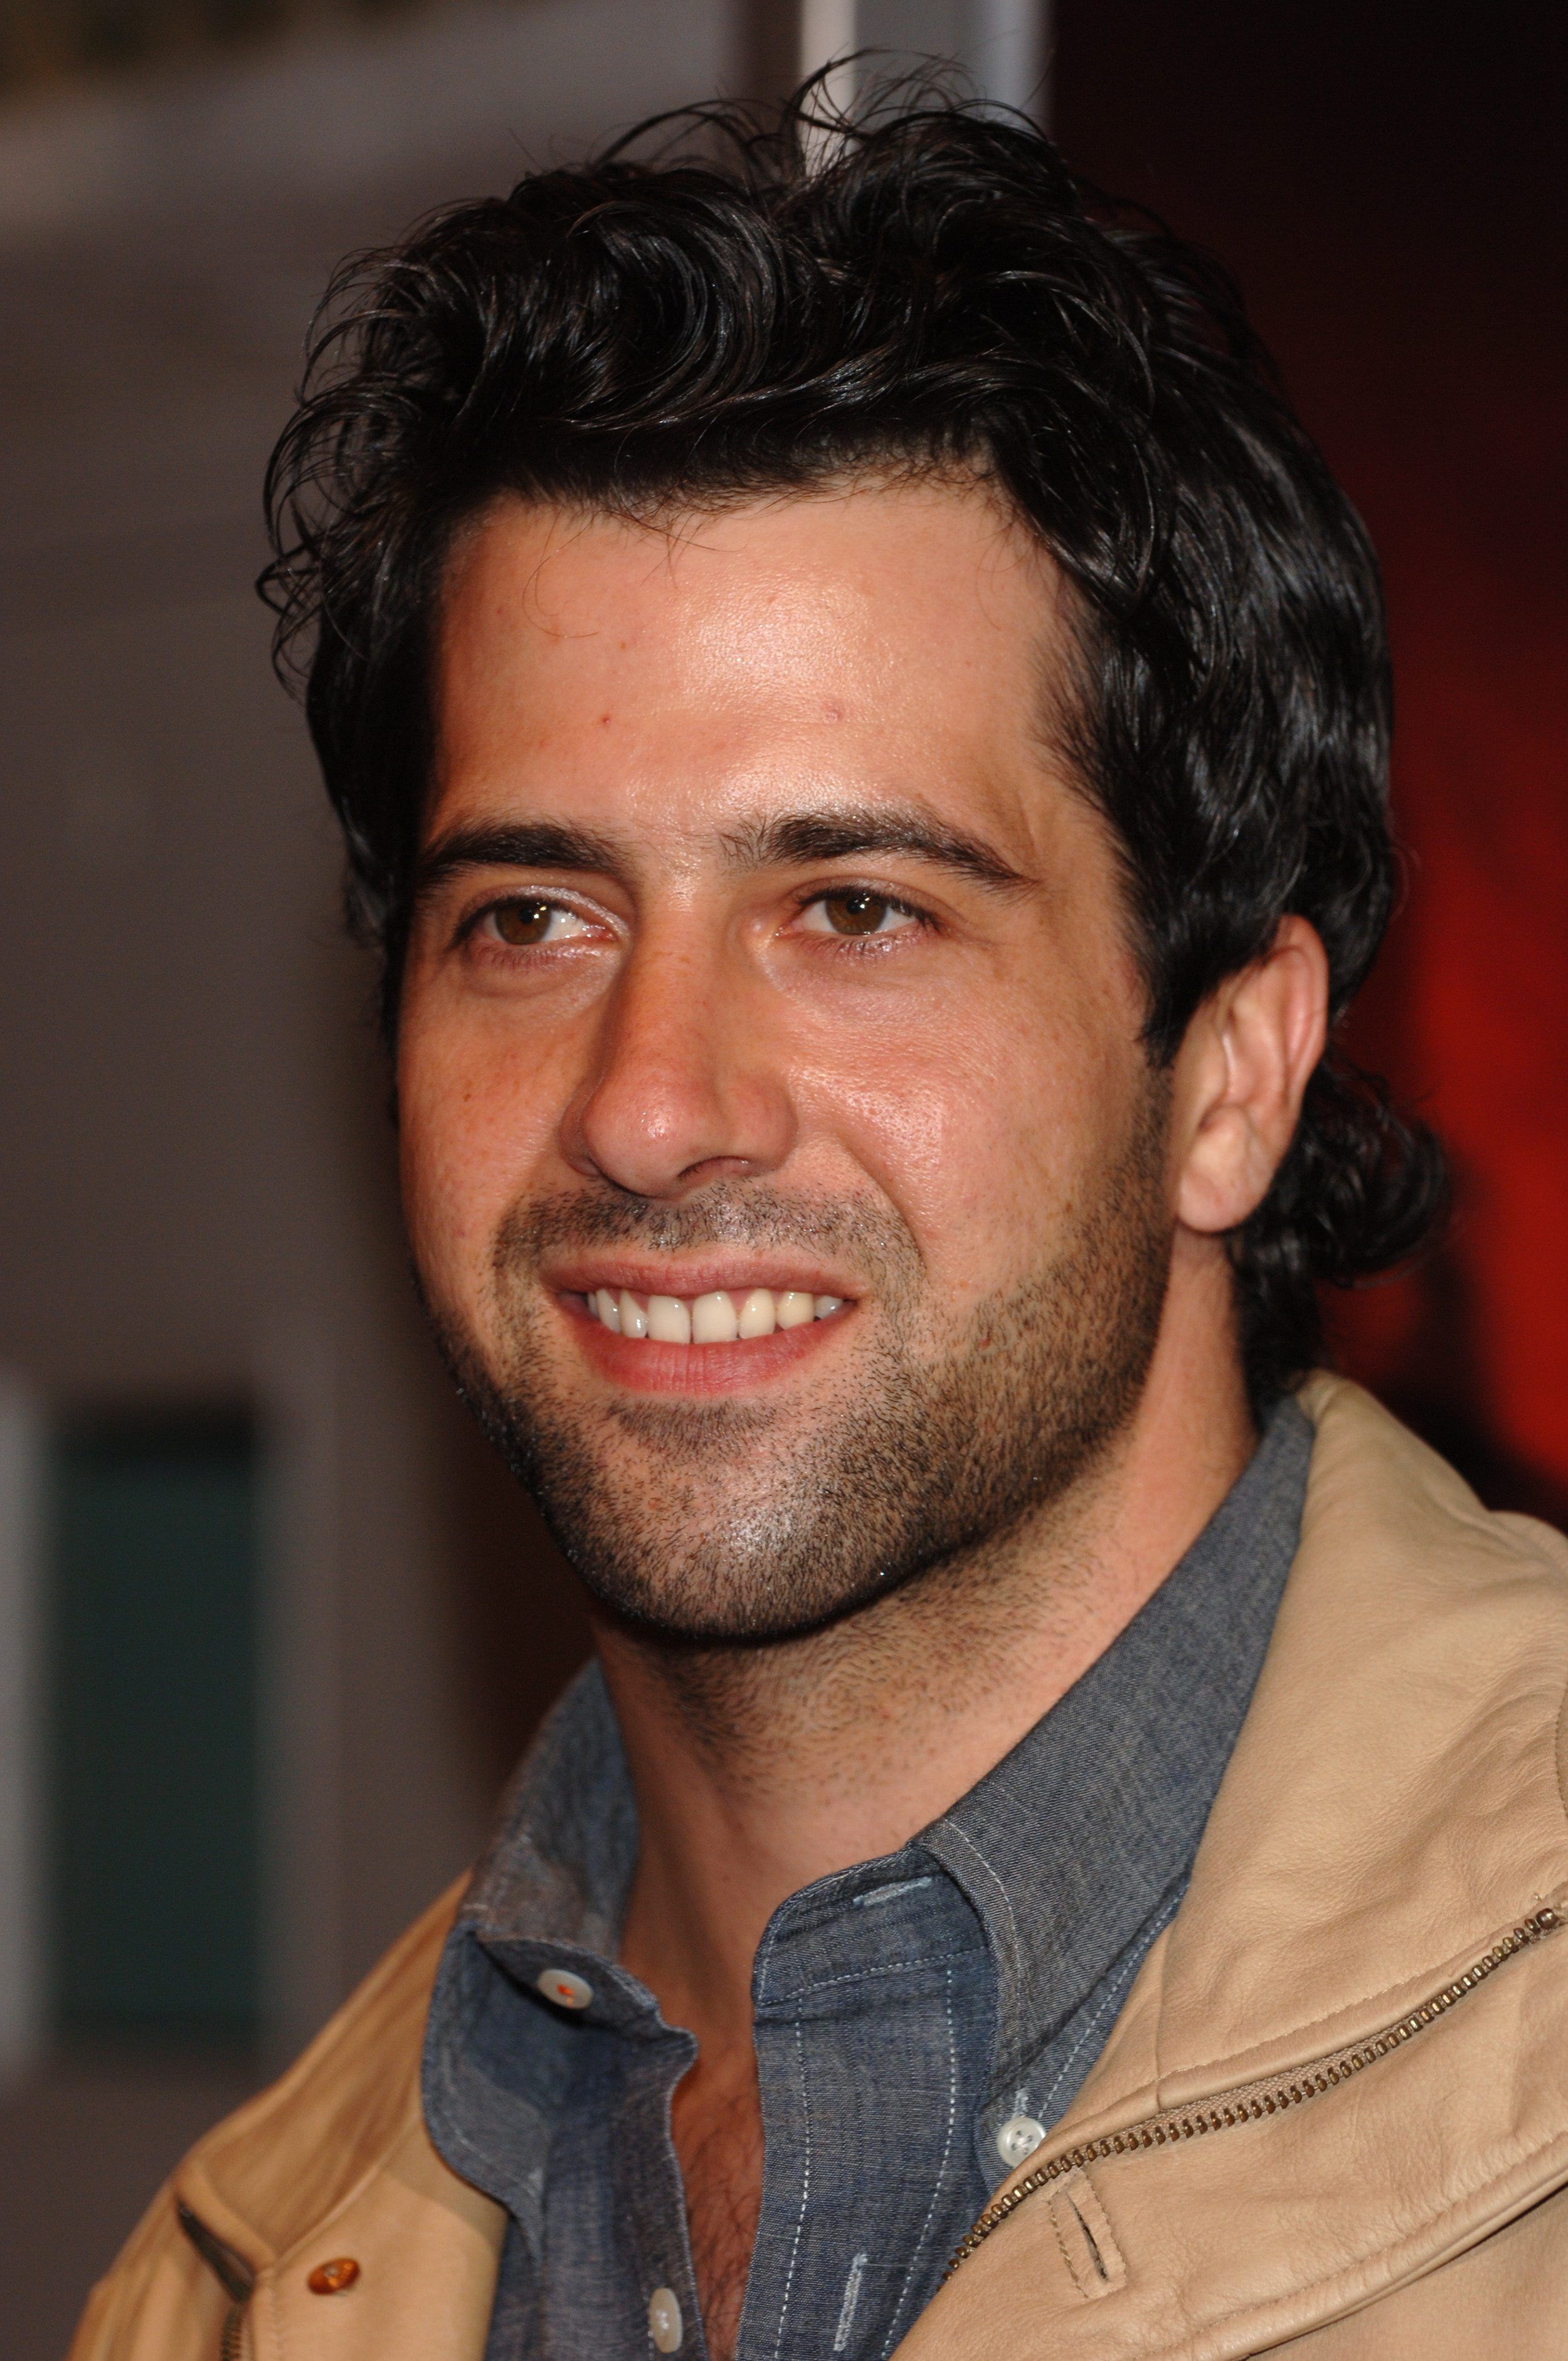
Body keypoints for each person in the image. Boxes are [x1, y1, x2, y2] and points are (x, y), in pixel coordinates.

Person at [72, 83, 1568, 2361]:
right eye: (534, 916)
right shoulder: (216, 2284)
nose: (649, 1105)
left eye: (854, 906)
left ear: (1228, 1072)